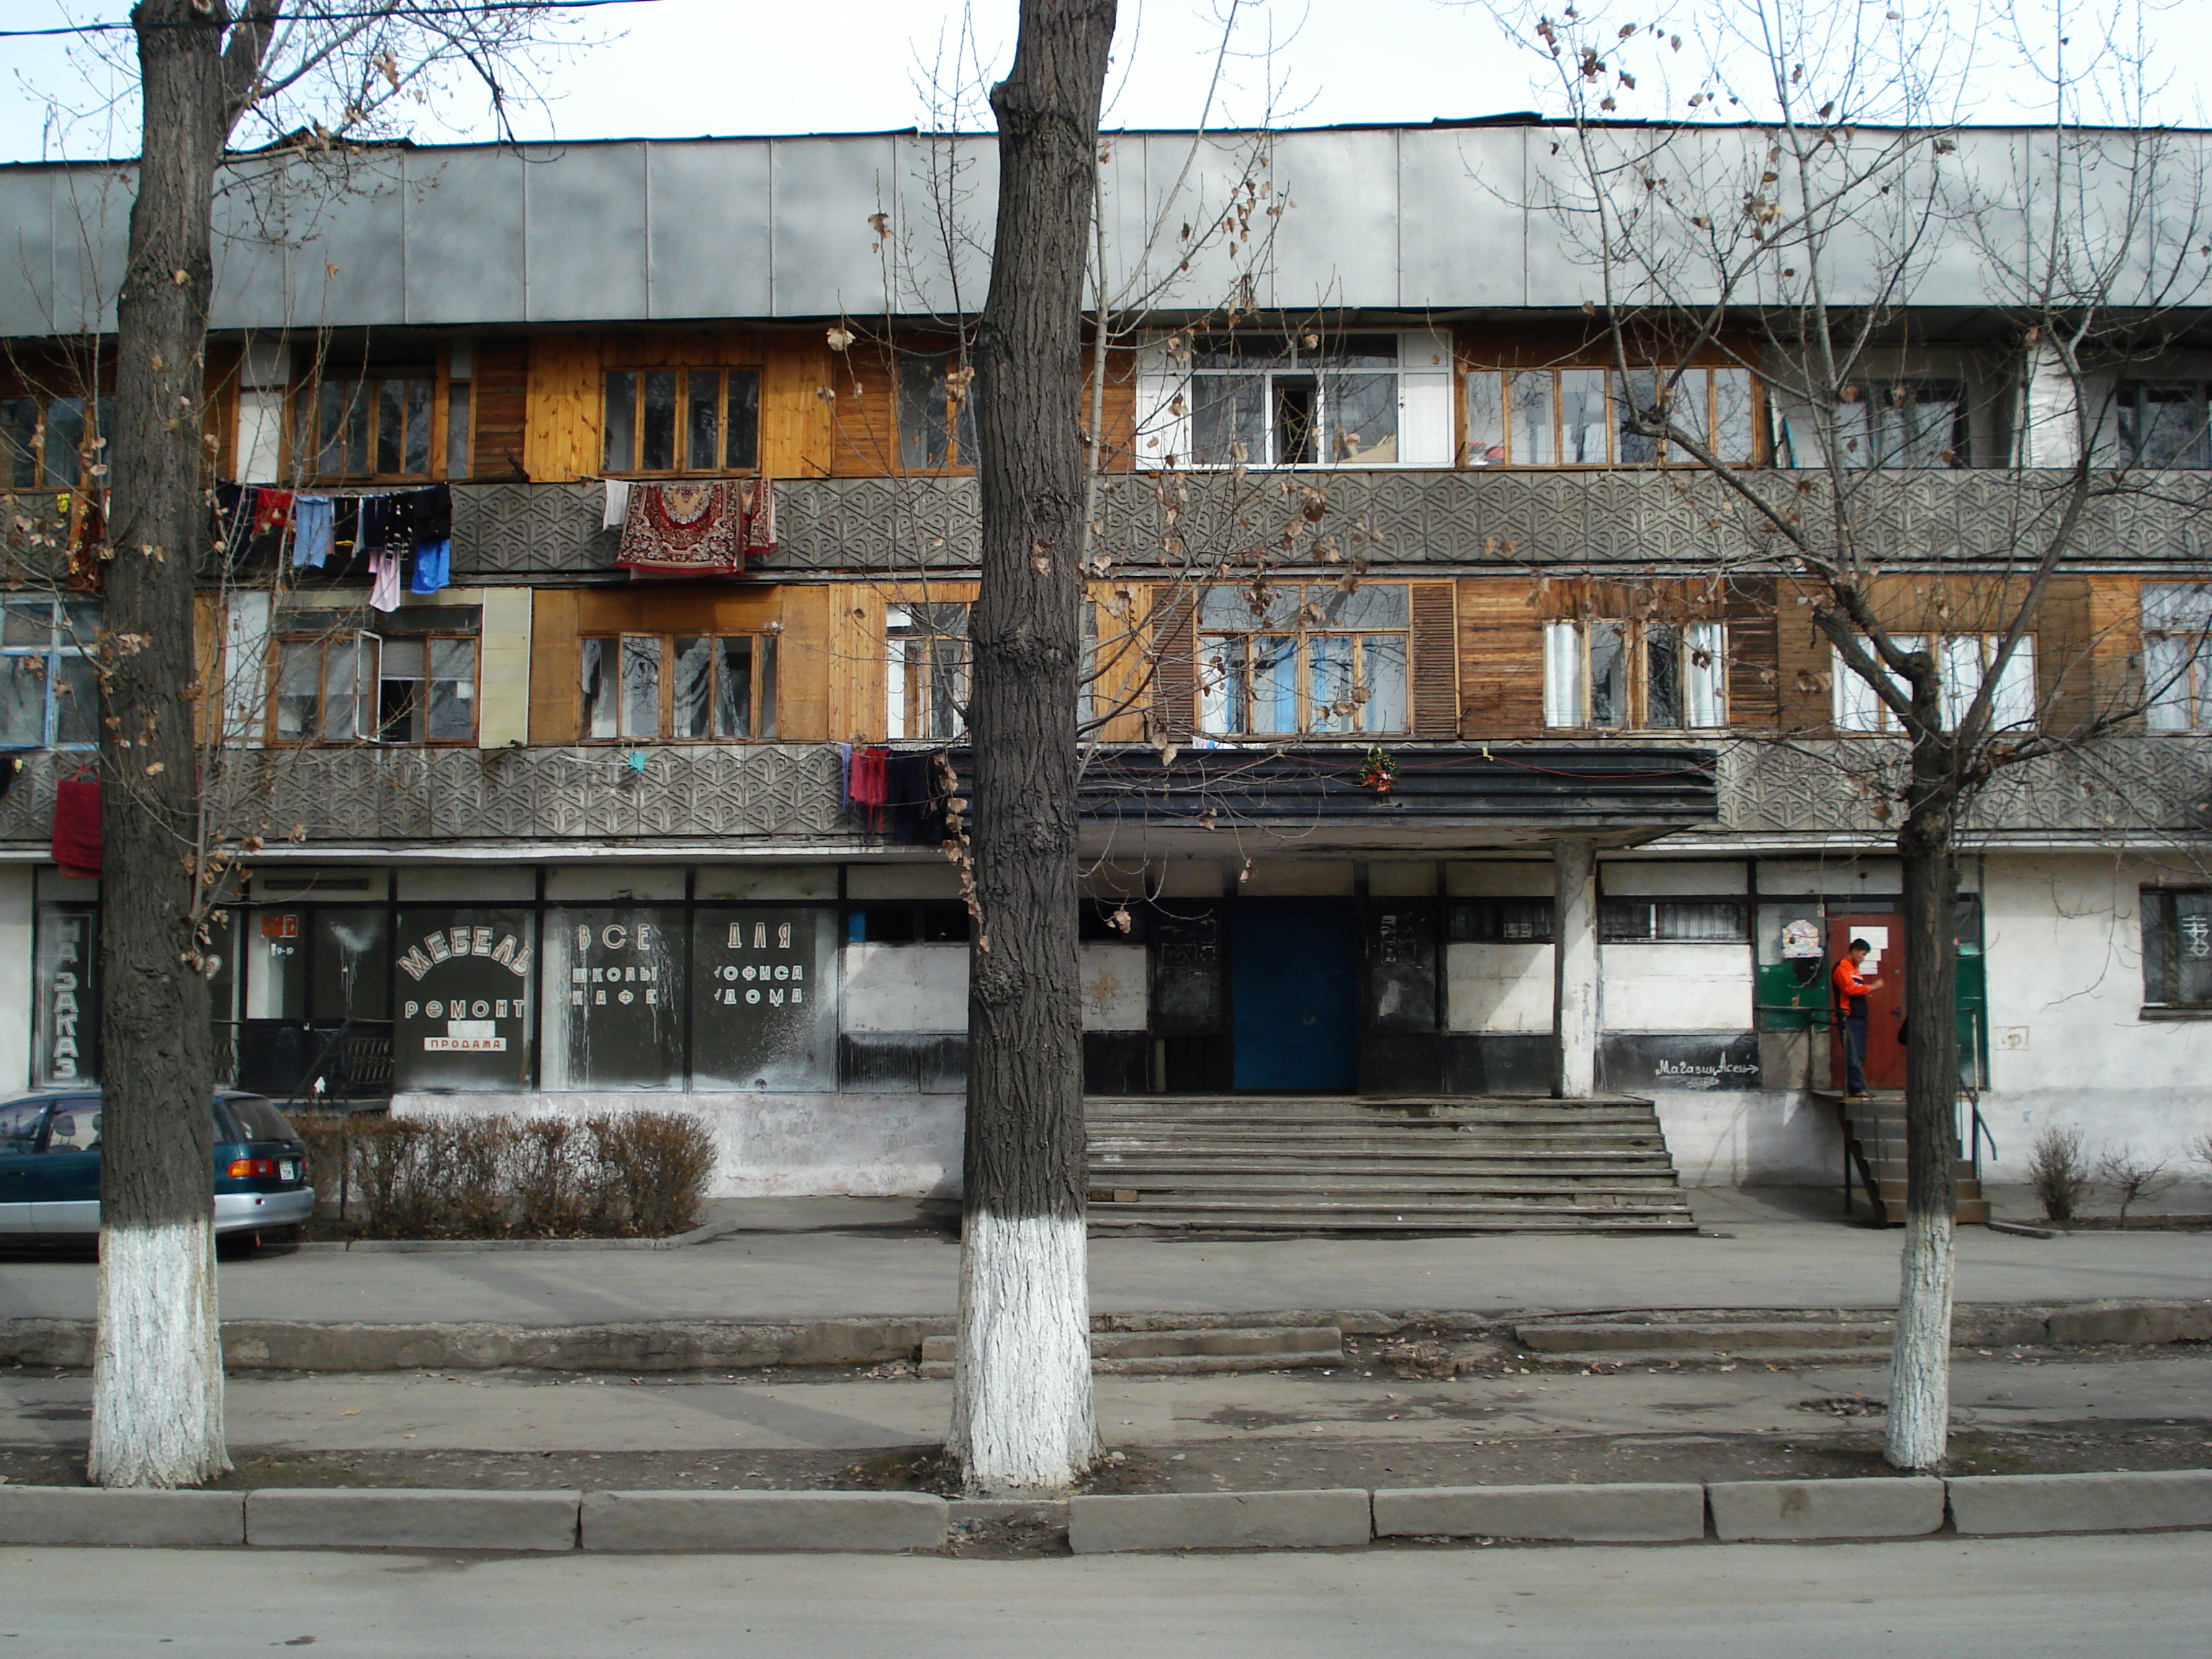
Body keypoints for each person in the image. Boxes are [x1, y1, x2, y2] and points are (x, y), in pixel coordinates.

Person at [1831, 938, 1883, 1097]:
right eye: (1862, 954)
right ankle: (1855, 1088)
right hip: (1849, 1015)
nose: (1863, 958)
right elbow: (1849, 989)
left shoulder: (1854, 968)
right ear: (1854, 951)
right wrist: (1871, 987)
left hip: (1859, 1015)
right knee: (1853, 1053)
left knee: (1859, 1053)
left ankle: (1858, 1085)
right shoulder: (1842, 967)